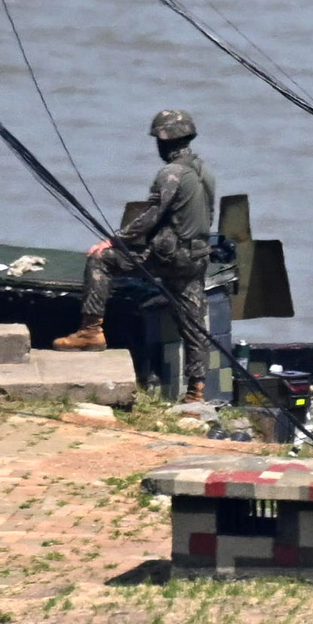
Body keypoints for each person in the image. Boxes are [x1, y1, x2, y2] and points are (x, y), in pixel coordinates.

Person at [98, 107, 219, 404]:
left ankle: (90, 331)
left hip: (170, 257)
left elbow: (151, 216)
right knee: (194, 324)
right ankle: (196, 391)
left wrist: (115, 240)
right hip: (198, 257)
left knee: (101, 261)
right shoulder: (205, 172)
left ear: (165, 142)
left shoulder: (171, 174)